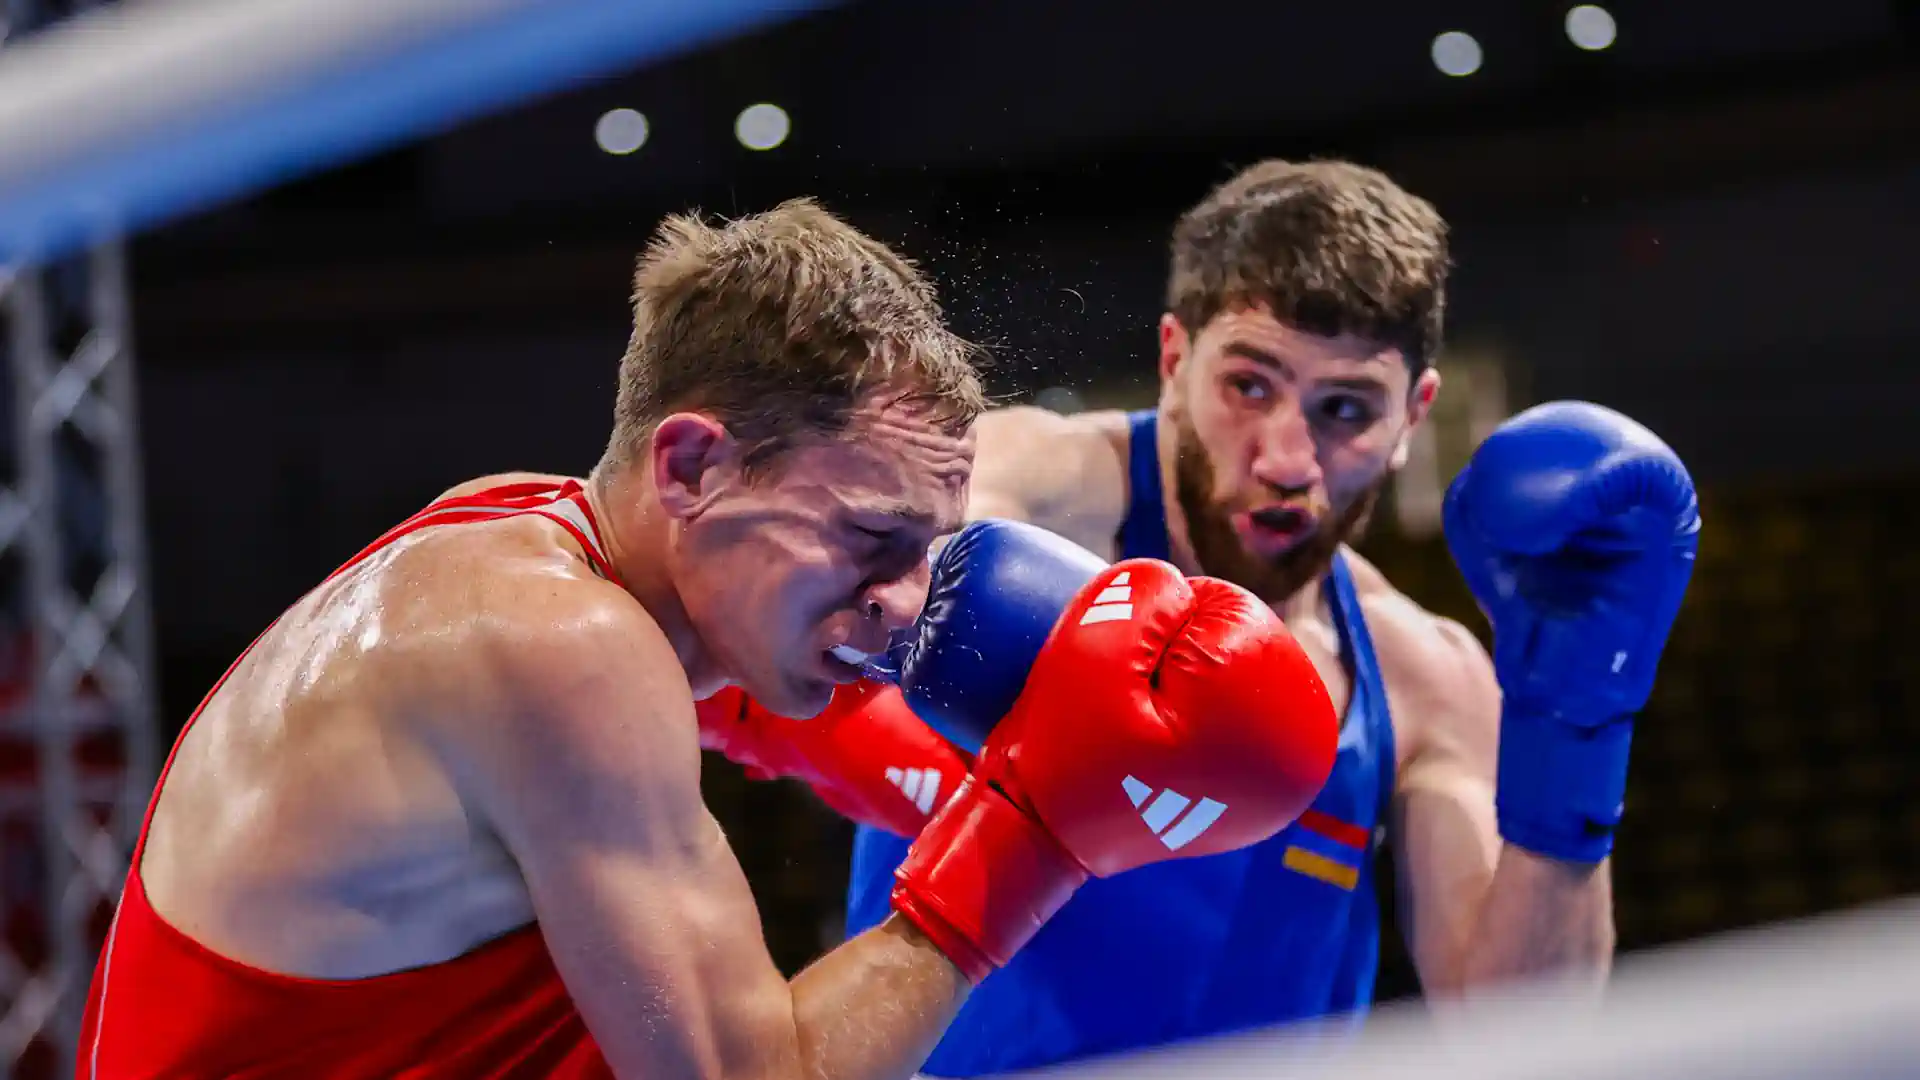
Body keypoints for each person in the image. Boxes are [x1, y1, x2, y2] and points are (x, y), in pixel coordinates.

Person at [75, 199, 1344, 1079]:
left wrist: (882, 752)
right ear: (692, 463)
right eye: (867, 540)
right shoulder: (562, 645)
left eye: (928, 552)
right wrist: (1033, 834)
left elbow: (732, 710)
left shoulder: (515, 538)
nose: (906, 603)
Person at [700, 161, 1701, 1074]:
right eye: (1249, 384)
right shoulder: (1036, 493)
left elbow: (1520, 1029)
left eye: (1345, 410)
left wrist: (1575, 729)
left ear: (1414, 416)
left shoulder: (1421, 674)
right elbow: (842, 553)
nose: (1286, 457)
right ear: (1175, 356)